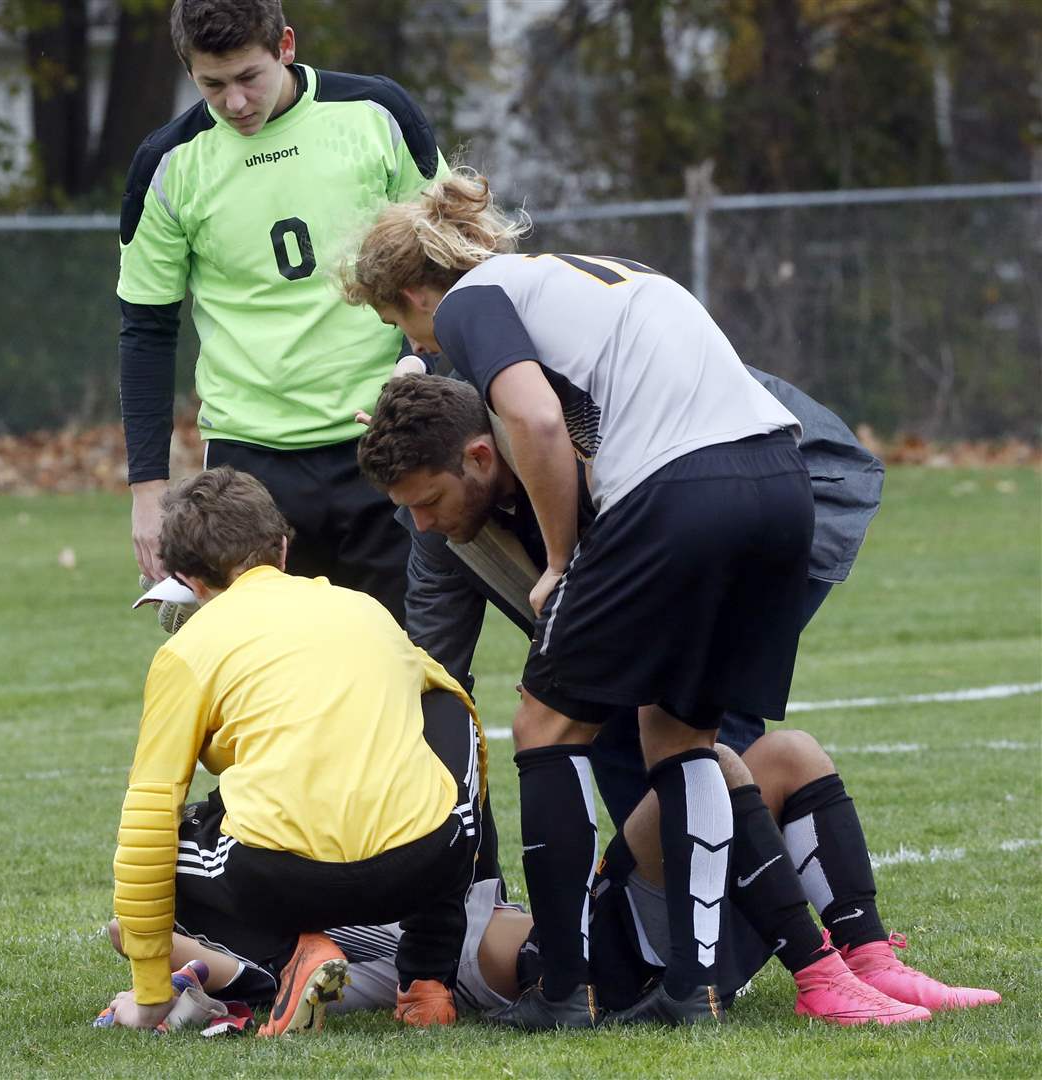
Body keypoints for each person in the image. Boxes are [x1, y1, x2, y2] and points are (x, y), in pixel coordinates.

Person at [344, 173, 816, 1026]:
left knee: (543, 726)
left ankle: (566, 986)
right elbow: (593, 413)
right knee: (681, 733)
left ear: (416, 292)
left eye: (400, 323)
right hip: (782, 479)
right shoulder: (584, 273)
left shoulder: (471, 301)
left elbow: (535, 421)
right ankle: (693, 986)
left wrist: (562, 559)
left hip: (681, 490)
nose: (421, 345)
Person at [112, 731, 998, 1027]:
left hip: (626, 942)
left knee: (782, 756)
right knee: (719, 763)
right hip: (586, 970)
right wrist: (149, 932)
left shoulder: (371, 860)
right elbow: (146, 942)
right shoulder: (309, 956)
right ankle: (823, 978)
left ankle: (864, 957)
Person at [357, 372, 882, 827]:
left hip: (792, 484)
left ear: (480, 456)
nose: (421, 524)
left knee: (692, 706)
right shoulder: (433, 527)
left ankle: (771, 905)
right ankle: (667, 892)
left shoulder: (584, 434)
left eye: (430, 502)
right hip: (672, 531)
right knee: (592, 698)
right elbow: (435, 675)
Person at [104, 466, 483, 1032]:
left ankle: (292, 955)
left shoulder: (187, 651)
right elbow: (454, 707)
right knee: (448, 708)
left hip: (283, 880)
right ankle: (427, 979)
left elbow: (147, 818)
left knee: (173, 840)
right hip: (423, 863)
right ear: (282, 548)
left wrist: (150, 991)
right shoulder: (364, 609)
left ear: (187, 579)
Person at [118, 0, 449, 623]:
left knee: (415, 669)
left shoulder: (376, 113)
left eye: (249, 78)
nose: (235, 102)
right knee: (265, 683)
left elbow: (447, 258)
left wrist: (424, 379)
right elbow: (146, 330)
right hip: (251, 462)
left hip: (382, 439)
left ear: (286, 46)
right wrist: (148, 492)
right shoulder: (167, 164)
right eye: (212, 84)